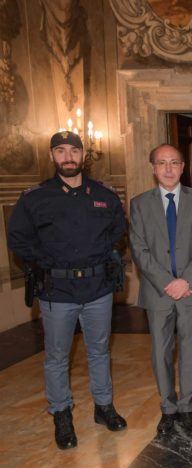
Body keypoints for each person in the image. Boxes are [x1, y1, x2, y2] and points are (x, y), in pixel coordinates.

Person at [7, 130, 127, 449]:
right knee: (57, 357)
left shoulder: (104, 194)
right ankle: (61, 414)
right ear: (52, 156)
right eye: (60, 151)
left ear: (83, 155)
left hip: (97, 288)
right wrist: (46, 262)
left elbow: (118, 230)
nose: (68, 157)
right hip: (56, 290)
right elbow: (18, 238)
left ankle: (103, 407)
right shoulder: (35, 198)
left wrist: (99, 254)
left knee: (99, 350)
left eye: (73, 151)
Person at [129, 144, 192, 436]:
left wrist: (186, 281)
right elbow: (139, 249)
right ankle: (167, 408)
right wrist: (167, 282)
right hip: (158, 292)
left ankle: (187, 405)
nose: (168, 169)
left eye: (174, 162)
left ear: (183, 167)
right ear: (153, 168)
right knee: (160, 351)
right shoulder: (140, 204)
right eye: (162, 163)